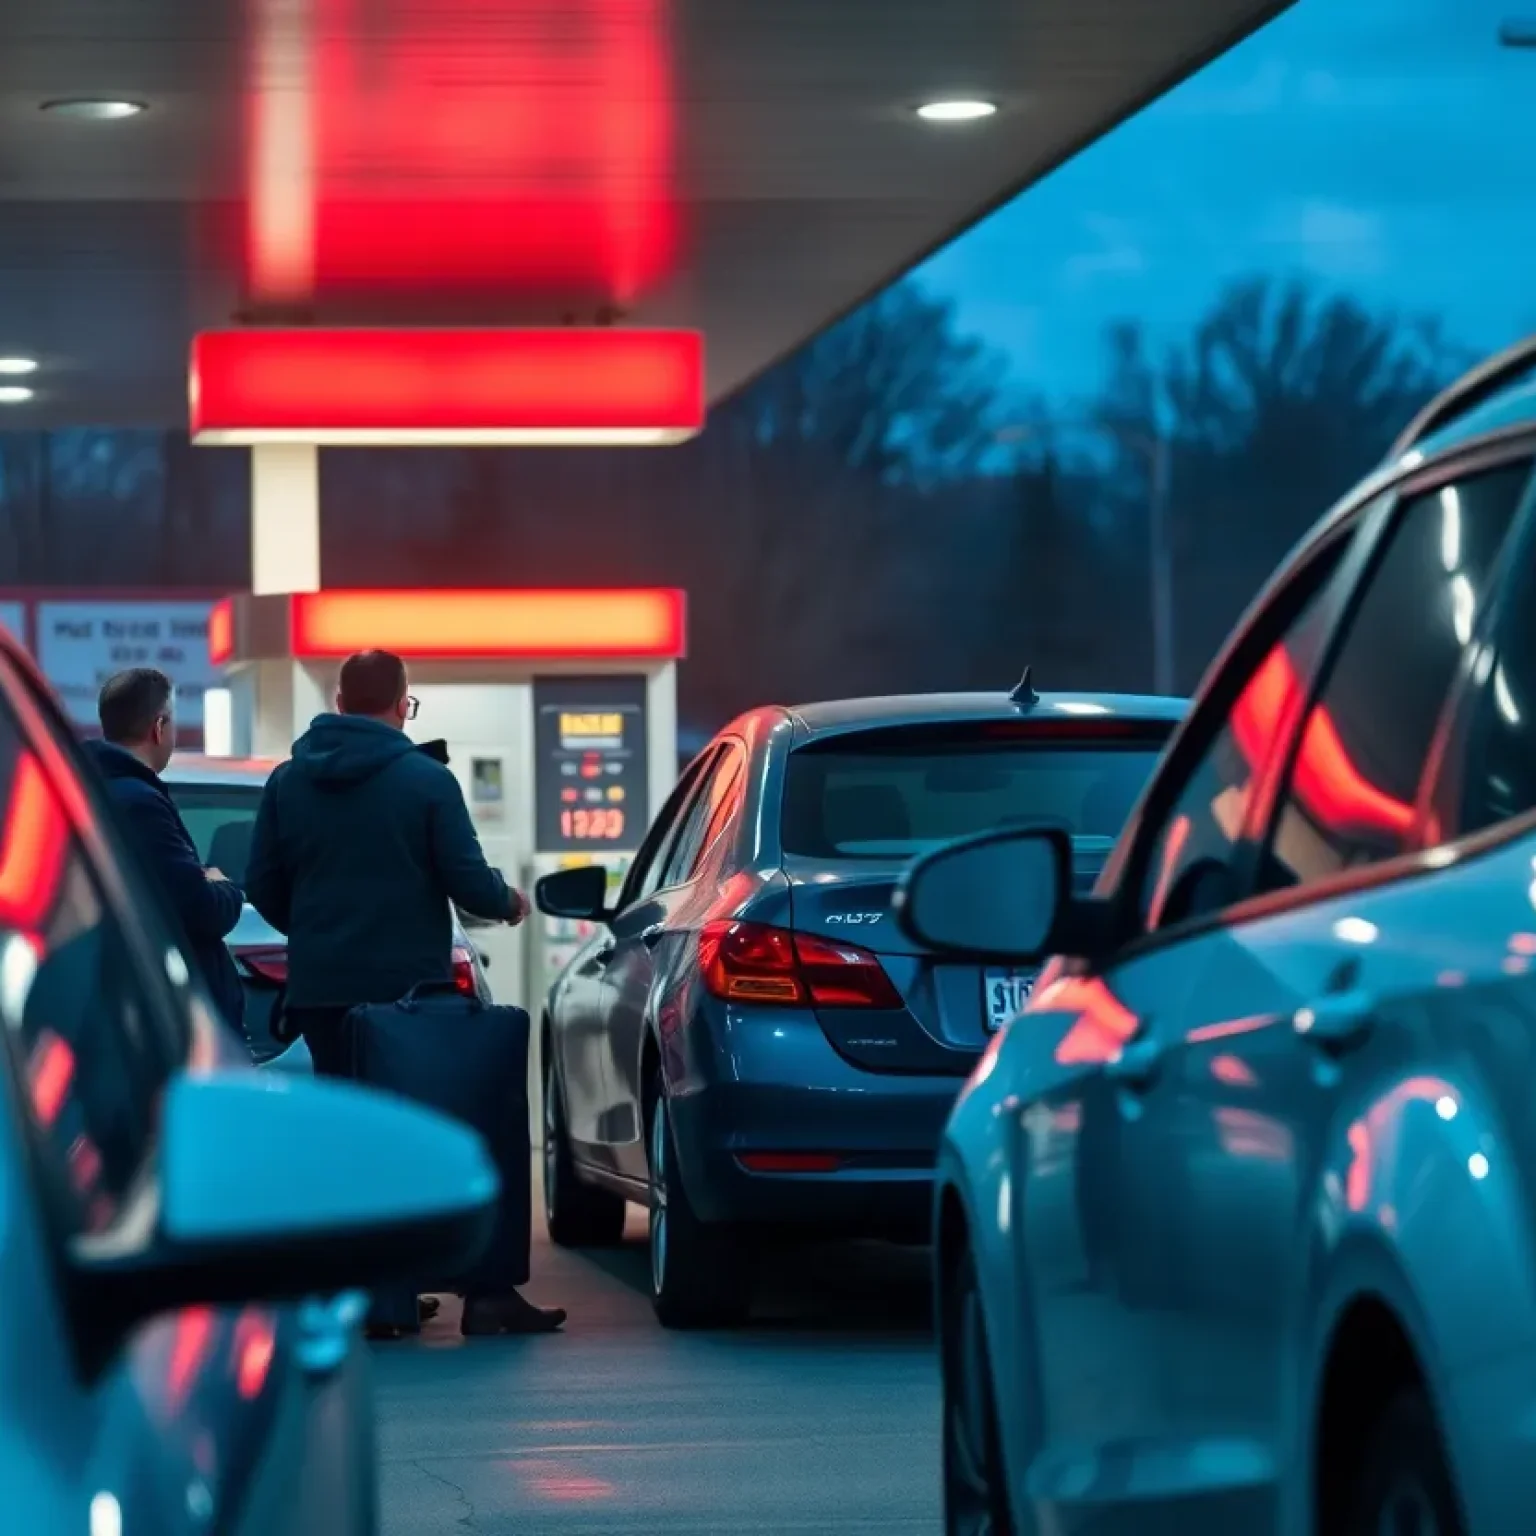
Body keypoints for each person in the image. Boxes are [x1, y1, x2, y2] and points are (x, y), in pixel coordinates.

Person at [244, 648, 564, 1338]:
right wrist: (509, 902)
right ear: (401, 703)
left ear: (337, 700)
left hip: (322, 997)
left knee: (343, 1142)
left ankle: (374, 1295)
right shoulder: (424, 780)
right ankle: (485, 1294)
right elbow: (469, 883)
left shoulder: (288, 782)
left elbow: (262, 884)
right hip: (408, 1002)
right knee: (445, 1137)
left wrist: (317, 933)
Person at [85, 669, 246, 1034]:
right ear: (159, 727)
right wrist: (225, 887)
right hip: (171, 1016)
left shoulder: (87, 793)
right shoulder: (140, 803)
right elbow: (199, 909)